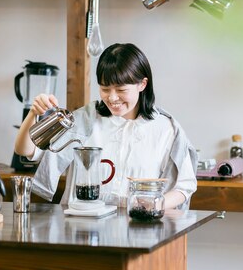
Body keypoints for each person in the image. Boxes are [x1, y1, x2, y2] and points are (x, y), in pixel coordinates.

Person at [14, 43, 197, 209]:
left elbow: (185, 186)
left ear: (142, 84)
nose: (112, 97)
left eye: (121, 90)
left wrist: (157, 204)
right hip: (83, 231)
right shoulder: (83, 120)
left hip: (139, 229)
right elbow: (25, 150)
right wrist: (33, 113)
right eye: (105, 89)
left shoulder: (165, 128)